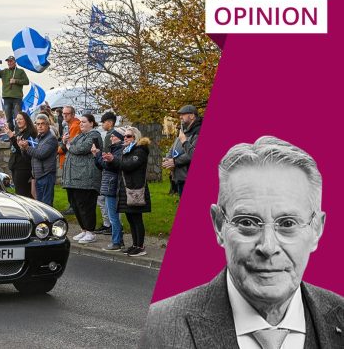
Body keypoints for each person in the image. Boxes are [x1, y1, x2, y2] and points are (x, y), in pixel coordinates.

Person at [144, 136, 344, 349]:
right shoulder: (157, 328)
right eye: (247, 222)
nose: (268, 247)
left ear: (317, 229)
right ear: (219, 225)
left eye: (287, 223)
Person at [103, 127, 151, 256]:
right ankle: (134, 245)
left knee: (136, 218)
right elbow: (121, 166)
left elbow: (128, 165)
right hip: (127, 189)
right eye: (124, 136)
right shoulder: (127, 150)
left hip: (136, 189)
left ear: (135, 137)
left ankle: (140, 246)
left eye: (128, 136)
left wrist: (114, 159)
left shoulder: (140, 150)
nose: (125, 138)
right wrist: (110, 160)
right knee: (130, 218)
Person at [63, 114, 103, 244]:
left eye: (84, 122)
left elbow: (81, 148)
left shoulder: (94, 135)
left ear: (91, 123)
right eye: (80, 122)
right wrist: (65, 142)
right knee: (76, 204)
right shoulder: (80, 135)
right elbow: (69, 146)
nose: (81, 124)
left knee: (86, 205)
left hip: (86, 177)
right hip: (74, 178)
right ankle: (84, 229)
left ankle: (91, 231)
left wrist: (69, 146)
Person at [94, 127, 126, 251]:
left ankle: (117, 241)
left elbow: (109, 166)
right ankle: (118, 240)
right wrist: (97, 156)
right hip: (108, 184)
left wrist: (98, 155)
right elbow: (102, 166)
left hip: (112, 185)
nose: (111, 138)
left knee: (113, 216)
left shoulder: (119, 150)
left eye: (114, 136)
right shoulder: (114, 149)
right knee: (112, 215)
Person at [18, 114, 58, 206]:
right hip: (38, 175)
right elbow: (30, 156)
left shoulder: (51, 139)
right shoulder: (38, 138)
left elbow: (40, 154)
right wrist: (22, 148)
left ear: (48, 125)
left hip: (47, 175)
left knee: (46, 205)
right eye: (38, 124)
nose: (40, 126)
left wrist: (27, 147)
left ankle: (49, 221)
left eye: (42, 124)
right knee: (40, 205)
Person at [162, 104, 202, 197]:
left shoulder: (199, 130)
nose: (180, 117)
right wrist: (168, 159)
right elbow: (173, 147)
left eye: (183, 114)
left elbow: (194, 154)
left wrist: (175, 161)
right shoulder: (183, 130)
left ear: (192, 116)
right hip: (180, 177)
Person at [0, 55, 30, 131]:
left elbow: (27, 81)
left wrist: (16, 81)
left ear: (15, 62)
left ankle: (18, 134)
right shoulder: (4, 71)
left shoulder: (20, 71)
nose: (9, 62)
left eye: (11, 61)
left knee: (17, 117)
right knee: (8, 119)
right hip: (7, 98)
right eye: (8, 61)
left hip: (17, 98)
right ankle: (11, 135)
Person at [94, 111, 117, 236]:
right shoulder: (112, 134)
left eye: (103, 122)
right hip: (109, 169)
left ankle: (109, 224)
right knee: (104, 199)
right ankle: (108, 224)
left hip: (107, 170)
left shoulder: (110, 135)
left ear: (110, 122)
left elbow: (107, 152)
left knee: (104, 199)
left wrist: (99, 155)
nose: (102, 125)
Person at [4, 111, 36, 197]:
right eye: (17, 119)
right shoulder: (19, 132)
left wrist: (12, 137)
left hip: (23, 168)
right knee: (19, 192)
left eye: (20, 119)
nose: (18, 121)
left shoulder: (30, 133)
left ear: (26, 120)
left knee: (23, 193)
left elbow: (22, 149)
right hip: (16, 166)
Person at [58, 105, 81, 215]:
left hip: (70, 160)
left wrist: (61, 146)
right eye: (63, 113)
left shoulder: (75, 125)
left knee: (71, 185)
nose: (64, 115)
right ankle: (72, 206)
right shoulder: (69, 125)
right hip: (67, 159)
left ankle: (73, 206)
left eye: (67, 113)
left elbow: (68, 145)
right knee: (69, 185)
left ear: (72, 114)